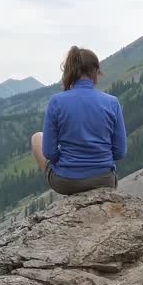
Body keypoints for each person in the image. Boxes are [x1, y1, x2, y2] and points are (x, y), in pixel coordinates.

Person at [31, 46, 127, 195]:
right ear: (96, 72)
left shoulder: (56, 102)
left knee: (37, 137)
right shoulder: (112, 102)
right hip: (104, 181)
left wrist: (69, 161)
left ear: (69, 72)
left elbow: (49, 153)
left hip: (66, 182)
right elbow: (120, 152)